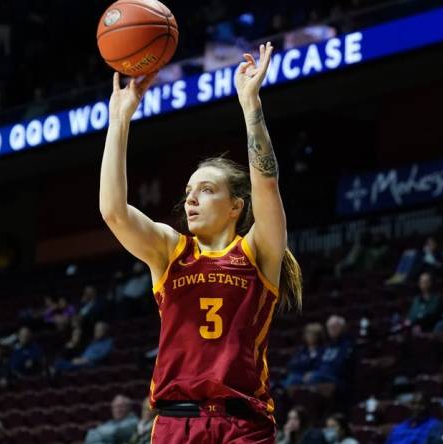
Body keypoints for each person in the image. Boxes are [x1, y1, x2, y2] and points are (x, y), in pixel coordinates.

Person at [99, 42, 301, 443]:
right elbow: (113, 212)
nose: (191, 198)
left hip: (243, 423)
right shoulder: (171, 252)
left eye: (207, 190)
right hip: (176, 421)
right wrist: (119, 120)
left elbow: (267, 181)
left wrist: (250, 106)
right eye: (190, 190)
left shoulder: (257, 251)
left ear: (235, 207)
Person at [282, 323, 325, 387]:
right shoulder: (301, 350)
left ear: (318, 336)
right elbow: (292, 364)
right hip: (297, 375)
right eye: (308, 334)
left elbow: (320, 366)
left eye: (313, 334)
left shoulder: (323, 350)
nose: (309, 336)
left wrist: (311, 372)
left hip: (311, 376)